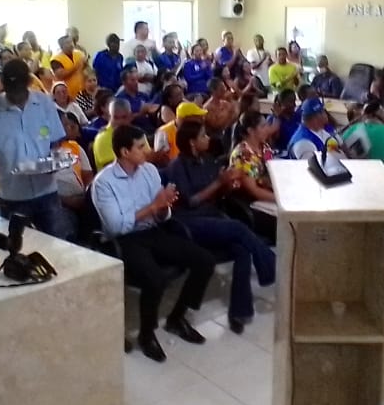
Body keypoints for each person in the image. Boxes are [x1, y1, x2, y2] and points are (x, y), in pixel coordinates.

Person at [91, 125, 215, 362]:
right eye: (140, 147)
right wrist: (153, 207)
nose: (146, 151)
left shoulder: (149, 171)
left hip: (152, 231)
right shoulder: (104, 183)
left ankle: (177, 318)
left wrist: (164, 206)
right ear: (125, 152)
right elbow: (116, 226)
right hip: (124, 241)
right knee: (155, 280)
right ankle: (146, 335)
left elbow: (162, 215)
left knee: (205, 261)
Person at [167, 119, 276, 333]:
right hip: (189, 221)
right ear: (192, 142)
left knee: (242, 249)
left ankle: (239, 311)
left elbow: (219, 194)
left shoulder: (208, 160)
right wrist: (218, 182)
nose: (208, 139)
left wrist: (228, 183)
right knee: (238, 228)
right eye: (203, 136)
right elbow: (191, 201)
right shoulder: (177, 167)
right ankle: (270, 265)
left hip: (212, 216)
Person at [0, 58, 72, 238]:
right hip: (13, 193)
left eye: (20, 91)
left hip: (46, 189)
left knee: (56, 242)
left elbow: (56, 141)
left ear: (28, 83)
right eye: (11, 91)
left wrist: (55, 162)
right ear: (3, 85)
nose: (16, 97)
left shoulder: (44, 103)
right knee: (16, 244)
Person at [229, 110, 277, 203]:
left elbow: (271, 169)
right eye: (263, 126)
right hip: (250, 201)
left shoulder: (265, 147)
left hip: (268, 192)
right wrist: (281, 199)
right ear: (250, 131)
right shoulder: (243, 155)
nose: (267, 129)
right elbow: (254, 190)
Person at [92, 96, 135, 168]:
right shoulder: (102, 138)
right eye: (116, 118)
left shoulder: (136, 133)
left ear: (130, 116)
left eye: (124, 117)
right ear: (109, 116)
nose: (120, 122)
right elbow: (113, 167)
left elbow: (148, 156)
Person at [51, 33, 87, 99]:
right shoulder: (56, 59)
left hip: (83, 92)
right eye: (67, 43)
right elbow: (61, 75)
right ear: (61, 46)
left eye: (71, 42)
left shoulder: (79, 54)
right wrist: (76, 67)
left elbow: (86, 69)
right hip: (68, 94)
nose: (71, 44)